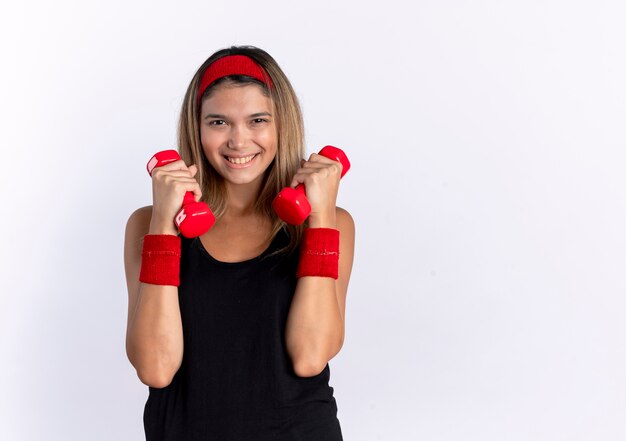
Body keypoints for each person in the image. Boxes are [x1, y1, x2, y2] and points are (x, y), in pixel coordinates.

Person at [123, 45, 355, 440]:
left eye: (257, 120)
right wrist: (164, 223)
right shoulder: (148, 224)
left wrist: (319, 219)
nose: (238, 140)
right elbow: (156, 367)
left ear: (283, 124)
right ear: (196, 127)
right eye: (218, 122)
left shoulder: (331, 223)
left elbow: (310, 356)